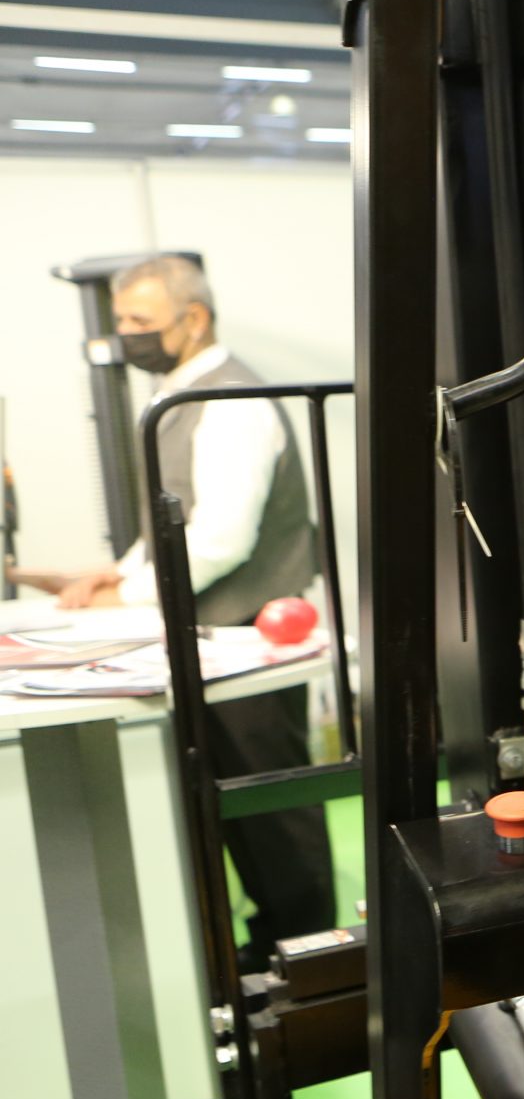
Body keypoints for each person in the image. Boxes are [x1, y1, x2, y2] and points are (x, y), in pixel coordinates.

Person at [10, 256, 334, 962]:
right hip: (202, 638)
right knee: (228, 808)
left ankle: (313, 962)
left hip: (247, 639)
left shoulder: (232, 400)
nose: (126, 334)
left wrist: (122, 596)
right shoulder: (178, 395)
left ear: (194, 319)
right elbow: (170, 518)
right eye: (122, 319)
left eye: (140, 320)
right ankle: (263, 951)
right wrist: (117, 573)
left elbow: (220, 538)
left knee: (272, 813)